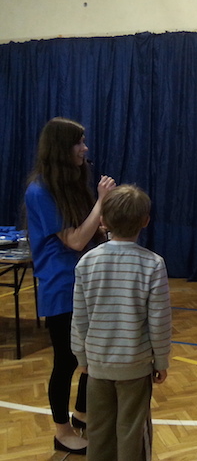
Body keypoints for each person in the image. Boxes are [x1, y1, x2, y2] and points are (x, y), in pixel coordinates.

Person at [24, 117, 116, 455]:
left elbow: (85, 232)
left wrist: (102, 226)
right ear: (62, 148)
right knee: (66, 360)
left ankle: (82, 413)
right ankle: (62, 431)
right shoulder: (39, 191)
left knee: (92, 356)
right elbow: (75, 240)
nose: (84, 148)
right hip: (61, 287)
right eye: (79, 142)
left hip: (85, 282)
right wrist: (101, 202)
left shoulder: (69, 184)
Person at [71, 184, 171, 461]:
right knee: (132, 431)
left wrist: (81, 356)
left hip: (97, 364)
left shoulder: (87, 262)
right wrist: (161, 361)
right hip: (135, 367)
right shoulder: (153, 264)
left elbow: (79, 316)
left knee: (99, 429)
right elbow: (159, 321)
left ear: (102, 221)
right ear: (145, 221)